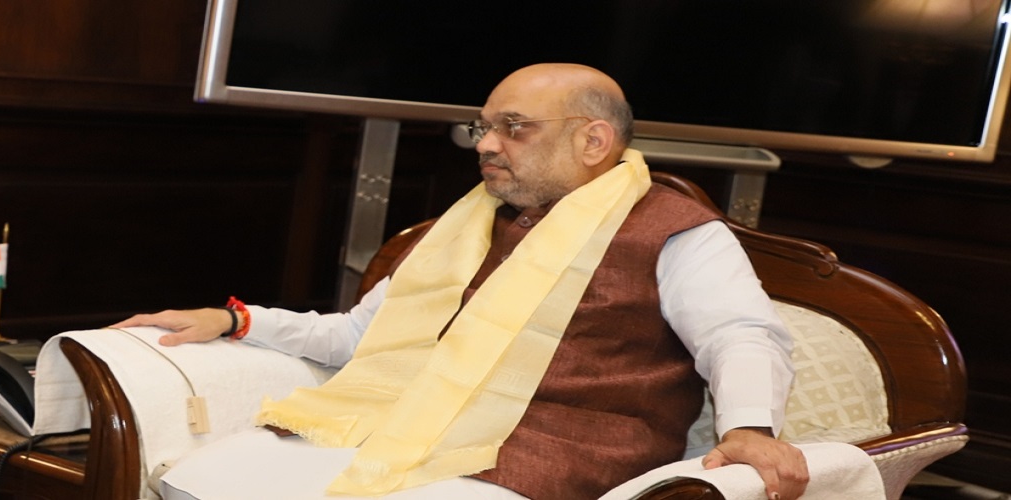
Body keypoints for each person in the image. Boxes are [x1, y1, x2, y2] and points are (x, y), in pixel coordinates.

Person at [113, 64, 810, 500]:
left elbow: (742, 334)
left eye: (514, 128)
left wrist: (750, 429)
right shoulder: (467, 226)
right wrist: (236, 322)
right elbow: (362, 336)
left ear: (593, 142)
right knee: (213, 474)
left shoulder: (674, 228)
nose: (485, 144)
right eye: (484, 126)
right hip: (408, 431)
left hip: (560, 457)